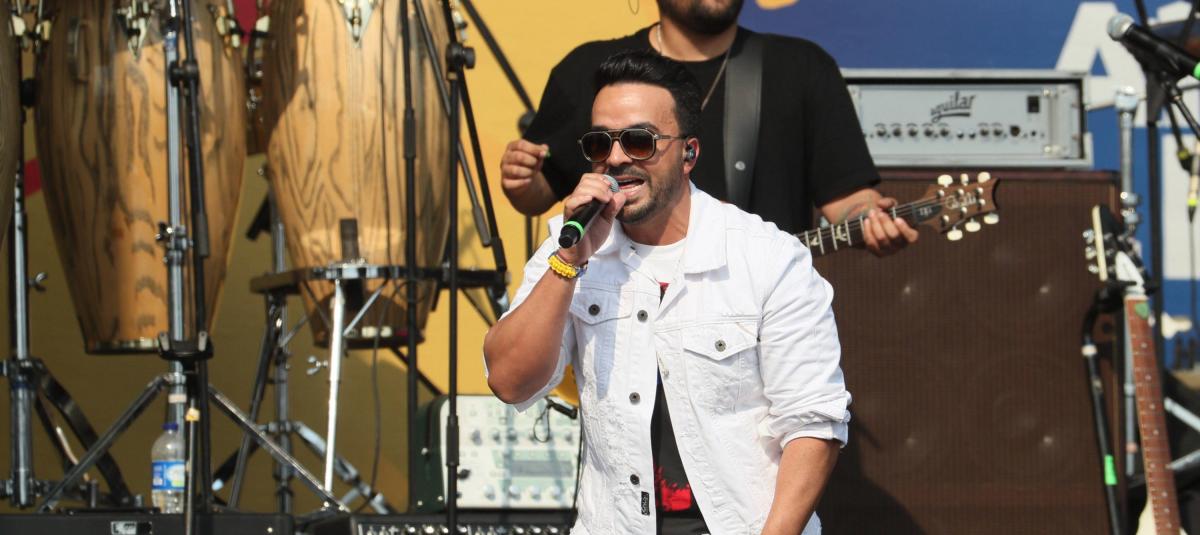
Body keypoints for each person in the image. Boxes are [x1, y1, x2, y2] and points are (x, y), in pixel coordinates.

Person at [484, 50, 849, 535]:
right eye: (600, 143)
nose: (617, 158)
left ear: (689, 154)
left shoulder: (767, 256)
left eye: (640, 141)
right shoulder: (568, 246)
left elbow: (813, 424)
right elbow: (509, 381)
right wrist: (569, 262)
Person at [500, 0, 917, 255]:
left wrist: (869, 217)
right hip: (620, 317)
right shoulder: (591, 70)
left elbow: (848, 200)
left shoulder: (801, 67)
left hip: (756, 328)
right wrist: (523, 180)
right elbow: (539, 194)